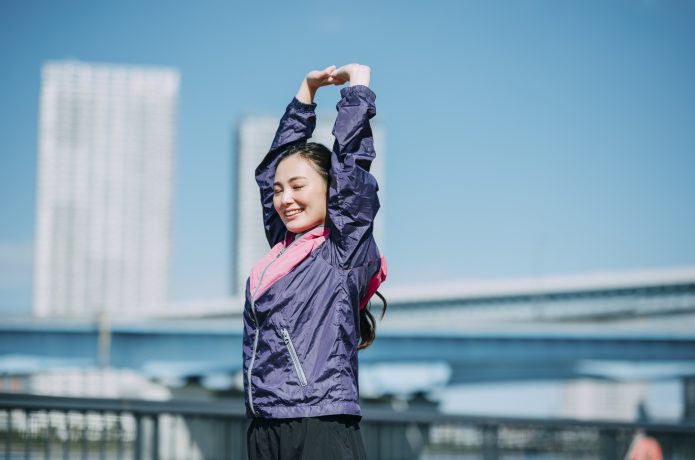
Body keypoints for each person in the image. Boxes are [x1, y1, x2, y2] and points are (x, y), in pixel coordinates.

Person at [242, 63, 387, 460]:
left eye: (299, 187)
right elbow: (272, 169)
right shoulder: (282, 251)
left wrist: (357, 91)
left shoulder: (341, 251)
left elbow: (351, 169)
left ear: (330, 191)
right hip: (265, 422)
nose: (284, 198)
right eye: (278, 191)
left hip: (319, 423)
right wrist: (305, 93)